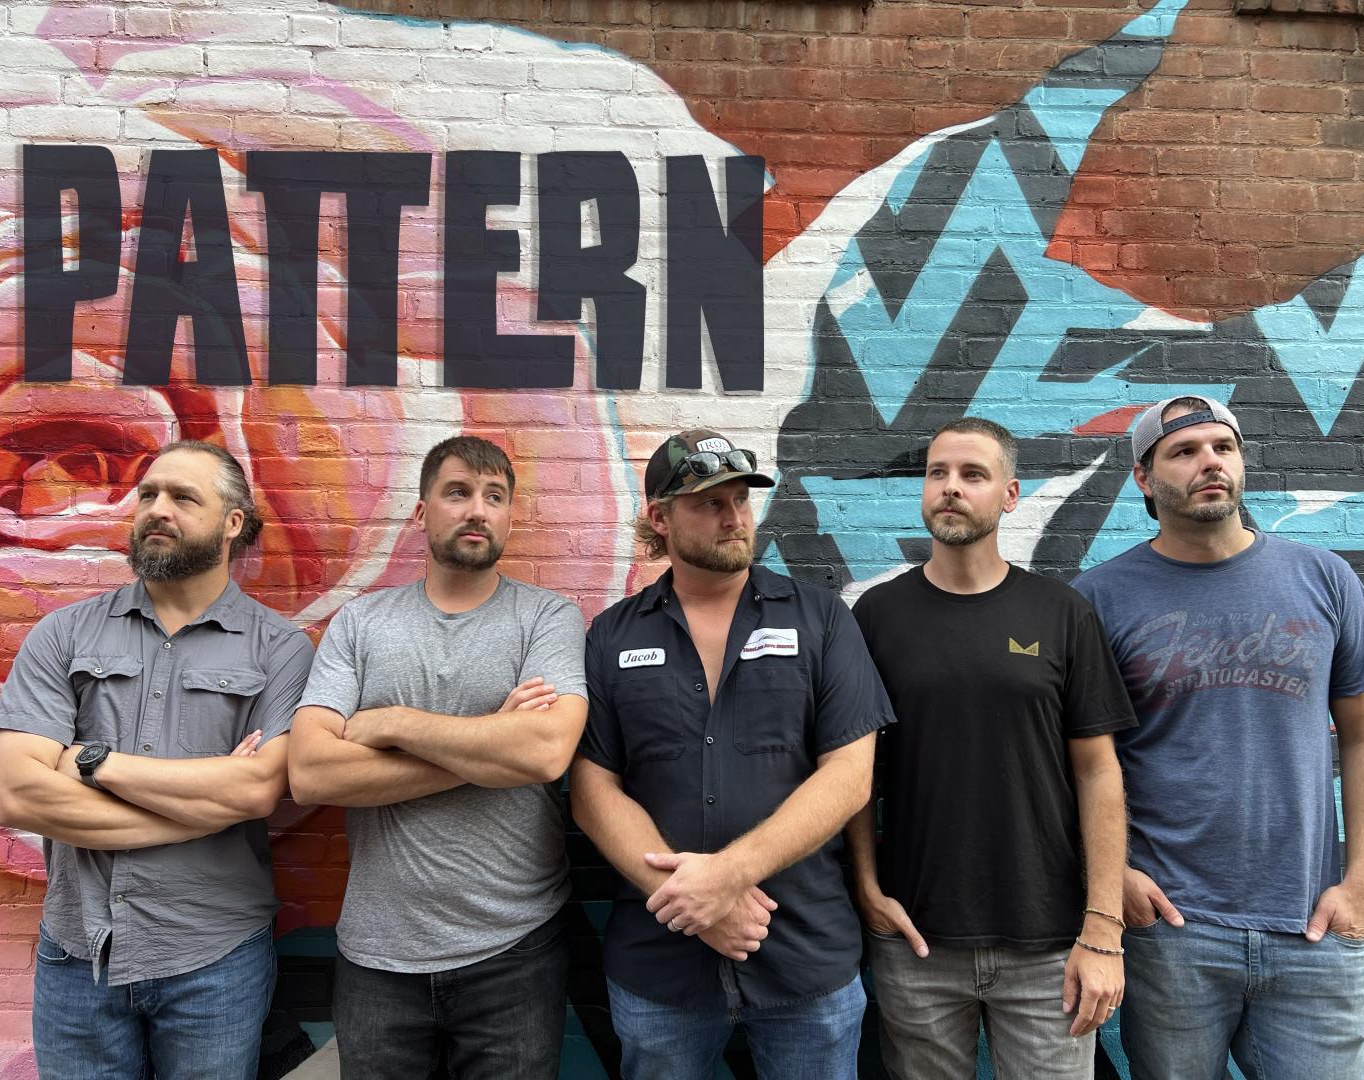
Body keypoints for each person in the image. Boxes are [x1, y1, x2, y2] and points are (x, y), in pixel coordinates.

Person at [1072, 395, 1364, 1079]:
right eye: (1184, 452)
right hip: (1170, 935)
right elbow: (1068, 762)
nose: (1209, 462)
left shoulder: (1324, 579)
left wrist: (1362, 885)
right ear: (1143, 476)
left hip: (1313, 927)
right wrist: (1115, 879)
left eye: (1223, 447)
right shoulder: (1097, 600)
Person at [571, 428, 895, 1080]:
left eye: (741, 498)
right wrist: (691, 899)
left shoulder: (821, 618)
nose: (734, 515)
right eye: (708, 501)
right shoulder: (611, 637)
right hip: (662, 966)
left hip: (804, 957)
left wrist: (727, 875)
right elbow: (592, 789)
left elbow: (849, 775)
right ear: (659, 517)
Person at [0, 440, 313, 1080]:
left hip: (213, 959)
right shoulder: (65, 634)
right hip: (79, 953)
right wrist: (200, 809)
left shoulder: (281, 650)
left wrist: (90, 761)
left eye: (184, 497)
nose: (157, 509)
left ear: (233, 522)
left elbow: (255, 792)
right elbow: (18, 794)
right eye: (148, 495)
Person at [287, 435, 587, 1080]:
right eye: (457, 492)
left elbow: (544, 751)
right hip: (378, 957)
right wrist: (487, 747)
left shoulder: (548, 619)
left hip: (516, 948)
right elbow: (311, 772)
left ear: (510, 515)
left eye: (494, 496)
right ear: (421, 512)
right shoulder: (361, 624)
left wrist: (390, 723)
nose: (476, 510)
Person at [846, 417, 1134, 1079]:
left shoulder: (1061, 613)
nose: (950, 488)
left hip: (1049, 944)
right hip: (916, 940)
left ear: (1009, 494)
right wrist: (866, 887)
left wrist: (1103, 928)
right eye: (937, 473)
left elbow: (1098, 773)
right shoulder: (877, 616)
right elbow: (856, 772)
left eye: (973, 474)